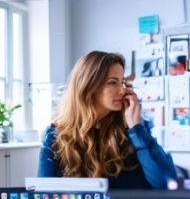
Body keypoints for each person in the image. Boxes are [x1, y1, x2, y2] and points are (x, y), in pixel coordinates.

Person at [38, 50, 176, 190]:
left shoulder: (132, 130)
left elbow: (165, 183)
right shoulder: (56, 136)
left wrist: (136, 128)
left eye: (122, 82)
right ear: (89, 86)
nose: (122, 90)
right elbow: (43, 195)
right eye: (112, 83)